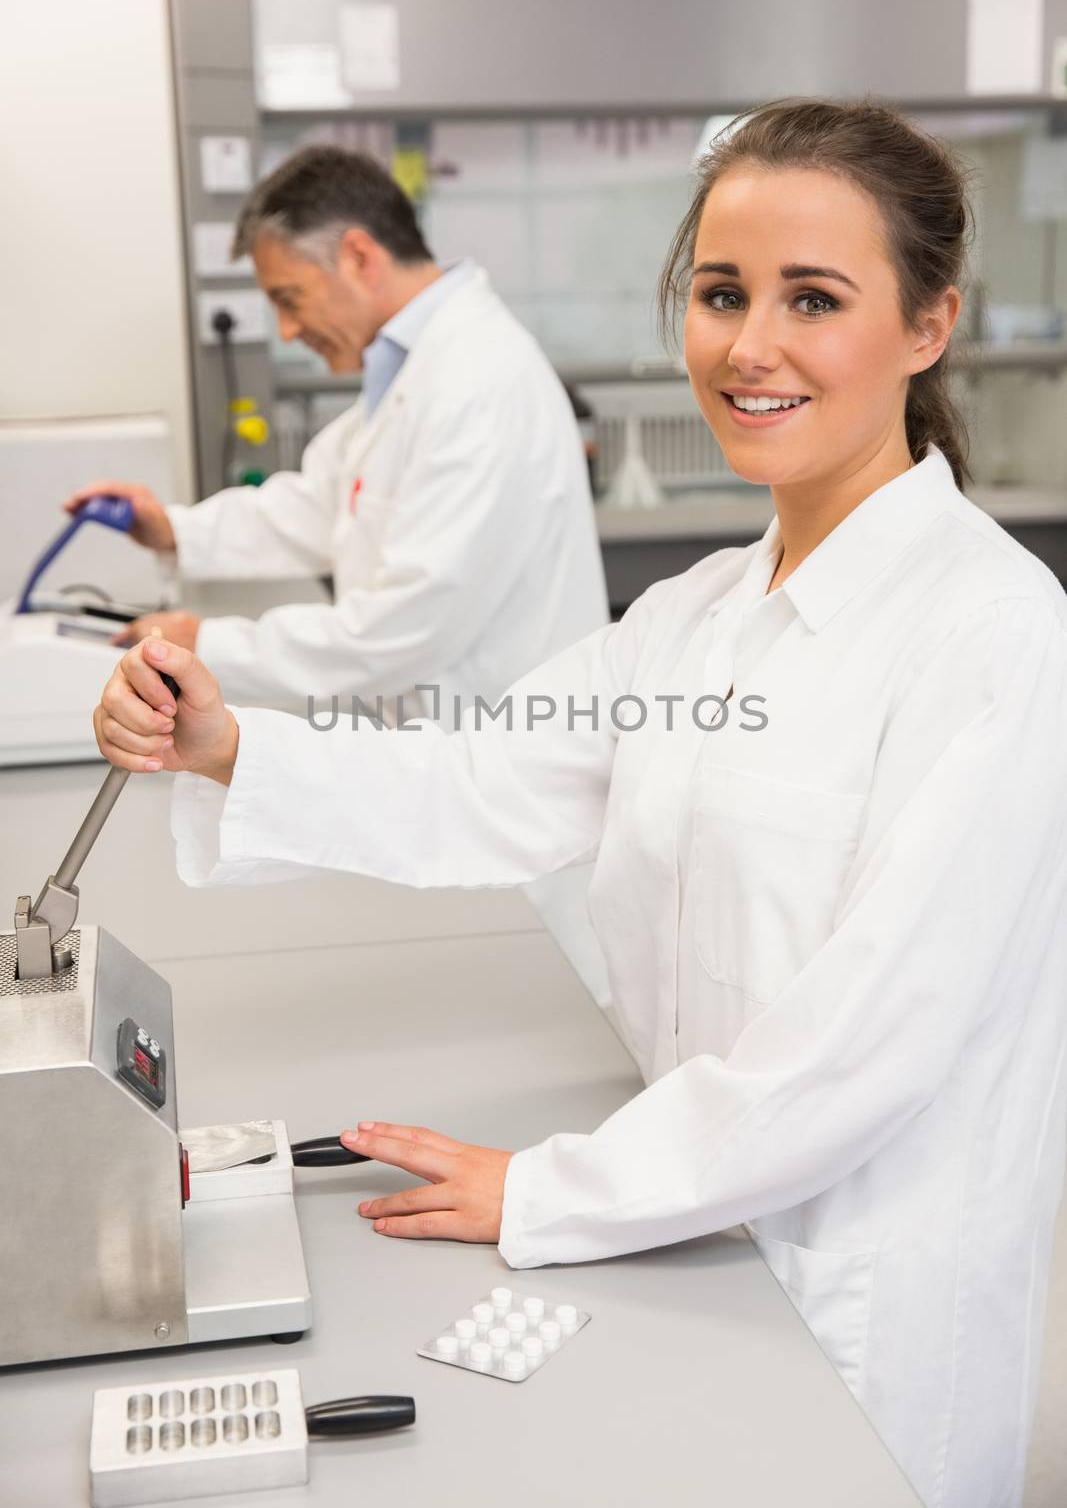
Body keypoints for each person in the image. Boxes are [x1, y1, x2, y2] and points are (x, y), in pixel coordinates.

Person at [94, 98, 1067, 1508]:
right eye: (721, 294)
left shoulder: (993, 634)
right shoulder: (696, 616)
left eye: (813, 298)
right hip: (696, 1231)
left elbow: (868, 1040)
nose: (749, 347)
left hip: (856, 1285)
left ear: (925, 326)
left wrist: (549, 1192)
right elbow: (485, 774)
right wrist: (227, 743)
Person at [65, 145, 607, 722]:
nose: (288, 329)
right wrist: (172, 530)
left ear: (357, 256)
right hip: (444, 746)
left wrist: (205, 643)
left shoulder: (478, 383)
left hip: (505, 754)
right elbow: (323, 504)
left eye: (288, 298)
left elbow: (406, 626)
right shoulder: (413, 373)